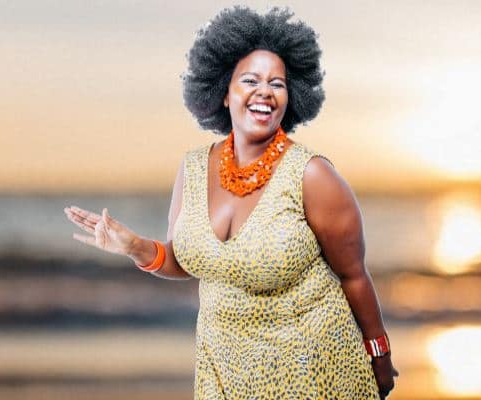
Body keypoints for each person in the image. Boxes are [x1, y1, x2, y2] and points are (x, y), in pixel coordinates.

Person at [64, 5, 398, 399]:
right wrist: (136, 247)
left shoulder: (312, 176)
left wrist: (379, 355)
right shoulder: (192, 169)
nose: (264, 92)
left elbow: (354, 275)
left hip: (314, 371)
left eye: (277, 84)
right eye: (250, 80)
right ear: (223, 92)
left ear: (292, 97)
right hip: (224, 373)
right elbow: (186, 261)